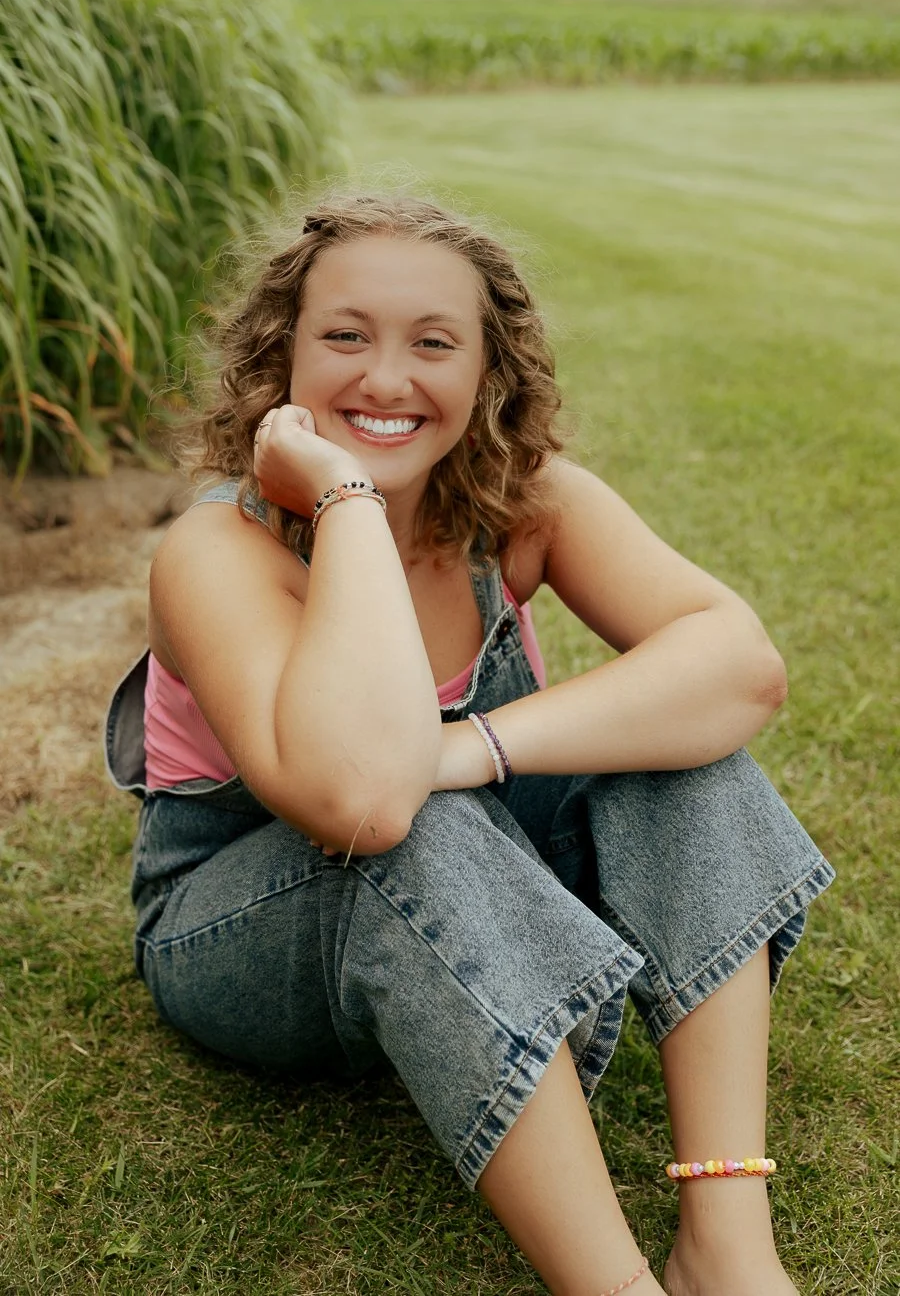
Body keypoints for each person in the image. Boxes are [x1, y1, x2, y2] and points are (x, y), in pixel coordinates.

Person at [105, 192, 834, 1296]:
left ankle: (725, 1240)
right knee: (419, 827)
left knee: (685, 757)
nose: (386, 381)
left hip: (451, 825)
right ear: (281, 359)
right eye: (344, 337)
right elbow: (360, 799)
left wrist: (466, 746)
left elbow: (738, 665)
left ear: (487, 374)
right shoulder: (217, 550)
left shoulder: (515, 504)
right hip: (239, 922)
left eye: (432, 344)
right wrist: (347, 499)